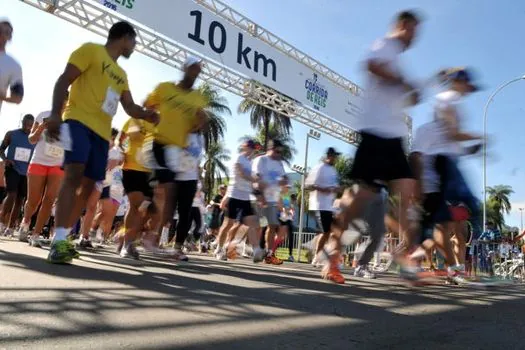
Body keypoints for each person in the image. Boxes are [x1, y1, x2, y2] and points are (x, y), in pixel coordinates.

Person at [45, 21, 159, 264]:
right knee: (73, 175)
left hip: (101, 135)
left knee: (87, 188)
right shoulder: (91, 50)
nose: (134, 47)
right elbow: (63, 80)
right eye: (134, 41)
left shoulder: (122, 75)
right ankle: (58, 241)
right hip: (77, 121)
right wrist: (56, 113)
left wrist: (147, 114)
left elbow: (129, 107)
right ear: (125, 37)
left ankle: (64, 238)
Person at [328, 11, 422, 284]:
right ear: (403, 26)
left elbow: (394, 87)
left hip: (394, 137)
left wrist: (409, 92)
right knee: (360, 198)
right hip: (374, 133)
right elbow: (372, 66)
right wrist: (404, 83)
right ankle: (333, 251)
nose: (415, 37)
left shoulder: (397, 56)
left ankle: (405, 257)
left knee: (407, 190)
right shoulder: (385, 45)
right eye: (414, 31)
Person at [143, 56, 208, 256]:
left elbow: (201, 119)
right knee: (165, 192)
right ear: (184, 68)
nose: (196, 72)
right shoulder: (165, 88)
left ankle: (147, 235)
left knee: (165, 197)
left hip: (176, 150)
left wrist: (201, 120)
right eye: (193, 68)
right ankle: (144, 235)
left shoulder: (197, 97)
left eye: (199, 70)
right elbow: (146, 104)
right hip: (159, 142)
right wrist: (152, 115)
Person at [16, 97, 68, 245]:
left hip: (57, 164)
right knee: (33, 200)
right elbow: (31, 139)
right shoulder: (43, 115)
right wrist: (41, 128)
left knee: (49, 199)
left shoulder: (71, 122)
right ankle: (25, 223)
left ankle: (36, 234)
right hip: (38, 161)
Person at [215, 139, 264, 262]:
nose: (253, 150)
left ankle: (256, 249)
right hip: (234, 195)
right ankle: (219, 249)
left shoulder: (251, 162)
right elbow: (242, 174)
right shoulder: (239, 158)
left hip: (245, 198)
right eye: (251, 147)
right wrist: (254, 179)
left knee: (251, 223)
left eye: (254, 148)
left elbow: (253, 178)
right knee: (228, 225)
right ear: (245, 147)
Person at [119, 117, 156, 258]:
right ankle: (127, 244)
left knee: (145, 209)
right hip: (132, 168)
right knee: (136, 205)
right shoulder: (134, 120)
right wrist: (121, 152)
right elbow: (119, 140)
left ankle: (126, 237)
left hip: (151, 172)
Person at [253, 139, 288, 265]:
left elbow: (284, 178)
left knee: (272, 226)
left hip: (272, 200)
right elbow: (256, 178)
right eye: (277, 151)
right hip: (260, 198)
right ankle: (254, 249)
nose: (279, 154)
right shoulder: (261, 160)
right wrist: (261, 196)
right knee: (258, 226)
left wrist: (284, 181)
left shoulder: (279, 164)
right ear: (270, 149)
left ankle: (269, 254)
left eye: (280, 152)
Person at [171, 131, 205, 261]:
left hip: (190, 179)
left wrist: (196, 177)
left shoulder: (201, 137)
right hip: (173, 176)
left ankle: (177, 248)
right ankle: (135, 237)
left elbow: (197, 158)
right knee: (164, 213)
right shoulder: (180, 128)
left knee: (185, 215)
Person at [0, 114, 35, 236]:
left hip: (26, 172)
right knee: (11, 194)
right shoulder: (11, 134)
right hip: (12, 168)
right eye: (26, 124)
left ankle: (10, 227)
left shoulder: (34, 138)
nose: (27, 127)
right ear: (22, 122)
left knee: (20, 200)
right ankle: (1, 222)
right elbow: (1, 149)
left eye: (30, 125)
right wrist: (5, 160)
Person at [305, 147, 340, 266]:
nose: (335, 158)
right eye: (333, 156)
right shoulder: (319, 168)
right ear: (328, 156)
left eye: (336, 156)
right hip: (319, 204)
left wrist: (337, 189)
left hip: (330, 206)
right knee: (326, 232)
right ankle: (316, 257)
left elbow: (335, 186)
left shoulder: (334, 170)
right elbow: (308, 184)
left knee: (329, 232)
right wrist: (322, 189)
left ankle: (321, 255)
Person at [0, 19, 24, 111]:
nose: (1, 35)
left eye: (6, 32)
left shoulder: (13, 65)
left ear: (10, 37)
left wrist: (2, 97)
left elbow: (18, 97)